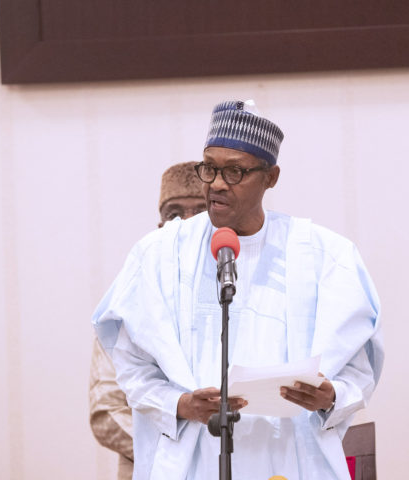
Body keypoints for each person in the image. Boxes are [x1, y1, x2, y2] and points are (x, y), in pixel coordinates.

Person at [93, 100, 384, 480]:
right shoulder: (159, 254)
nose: (216, 183)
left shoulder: (326, 255)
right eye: (209, 168)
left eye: (234, 172)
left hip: (289, 459)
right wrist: (180, 404)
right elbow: (132, 367)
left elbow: (358, 369)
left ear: (271, 177)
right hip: (193, 461)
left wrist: (331, 397)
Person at [88, 162, 207, 480]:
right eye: (175, 214)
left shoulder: (239, 295)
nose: (187, 224)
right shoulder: (131, 299)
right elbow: (106, 412)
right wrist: (181, 446)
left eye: (202, 211)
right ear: (160, 226)